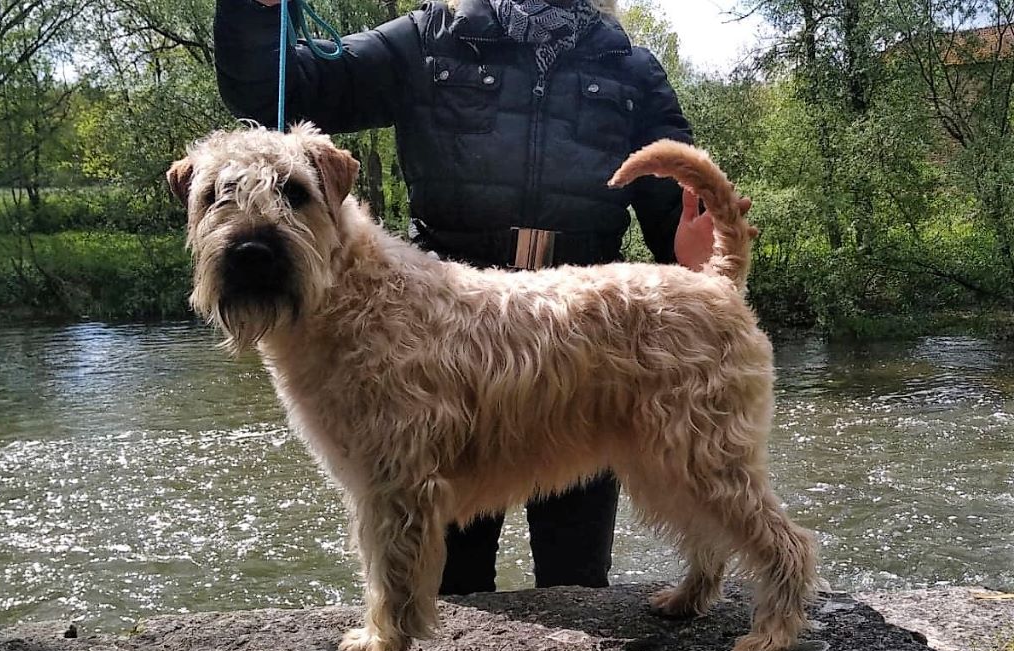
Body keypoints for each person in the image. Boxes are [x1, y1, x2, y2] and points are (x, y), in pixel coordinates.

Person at [213, 0, 740, 595]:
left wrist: (688, 242)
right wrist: (253, 13)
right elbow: (276, 85)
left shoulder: (630, 65)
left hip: (583, 338)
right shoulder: (427, 38)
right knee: (454, 581)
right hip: (440, 335)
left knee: (578, 579)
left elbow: (676, 212)